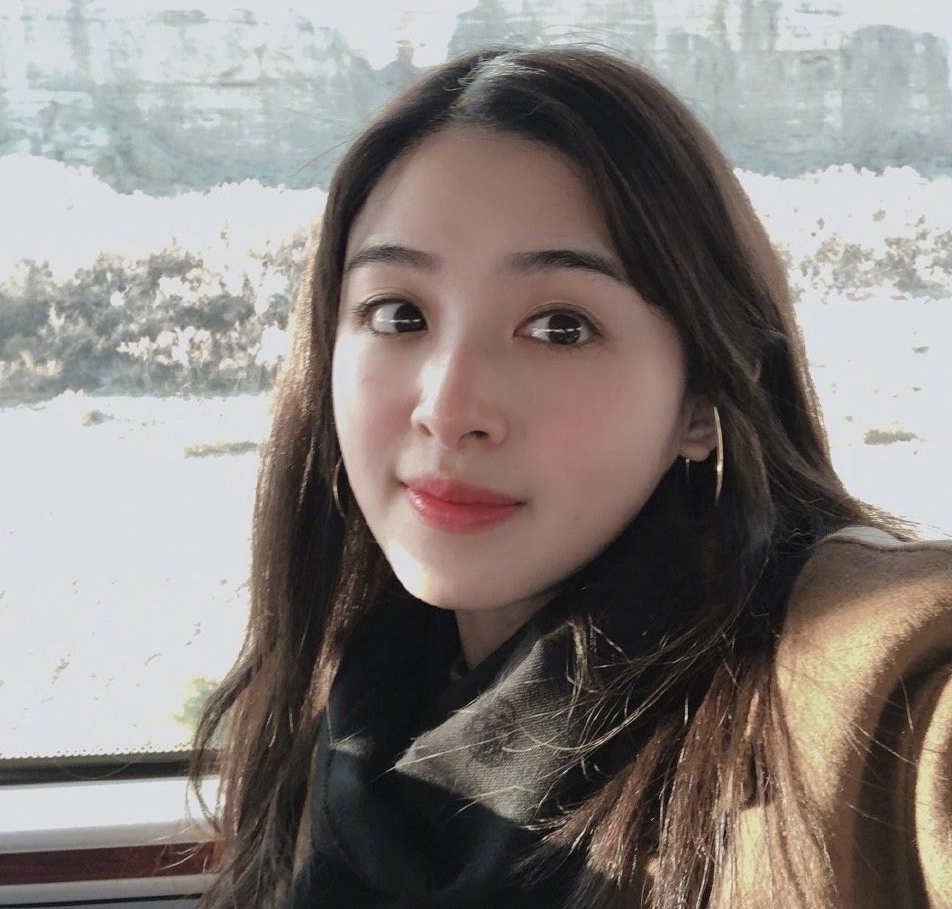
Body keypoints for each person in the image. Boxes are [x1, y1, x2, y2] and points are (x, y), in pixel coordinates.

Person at [189, 47, 952, 908]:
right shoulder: (350, 711)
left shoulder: (887, 701)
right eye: (398, 314)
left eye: (560, 327)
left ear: (702, 397)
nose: (449, 408)